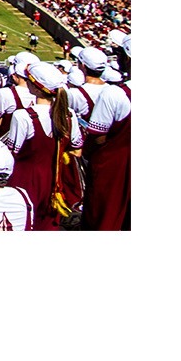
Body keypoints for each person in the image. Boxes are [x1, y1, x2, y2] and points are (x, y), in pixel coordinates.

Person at [5, 62, 83, 230]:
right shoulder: (69, 114)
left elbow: (12, 153)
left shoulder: (23, 116)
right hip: (55, 179)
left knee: (22, 223)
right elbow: (76, 148)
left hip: (25, 178)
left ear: (37, 89)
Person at [79, 43, 130, 230]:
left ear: (128, 59)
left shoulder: (115, 93)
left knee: (103, 222)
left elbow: (97, 137)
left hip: (114, 168)